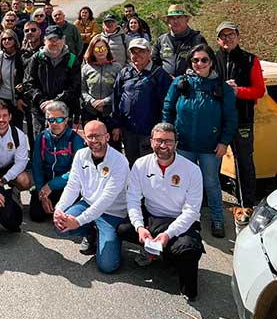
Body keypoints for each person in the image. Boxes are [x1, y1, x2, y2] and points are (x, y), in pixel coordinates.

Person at [118, 122, 204, 301]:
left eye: (168, 141)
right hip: (153, 217)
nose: (163, 146)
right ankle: (155, 250)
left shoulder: (192, 170)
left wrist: (168, 234)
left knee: (188, 249)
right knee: (123, 228)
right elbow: (133, 199)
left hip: (180, 221)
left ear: (176, 144)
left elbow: (191, 211)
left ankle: (171, 259)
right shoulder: (141, 164)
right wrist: (140, 227)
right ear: (151, 142)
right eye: (158, 141)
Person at [162, 43, 238, 238]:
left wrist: (224, 142)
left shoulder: (222, 88)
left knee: (211, 182)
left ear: (211, 62)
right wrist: (168, 137)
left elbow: (231, 118)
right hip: (183, 145)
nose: (199, 63)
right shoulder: (180, 83)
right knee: (180, 182)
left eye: (204, 59)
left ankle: (217, 218)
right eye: (195, 60)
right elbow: (168, 110)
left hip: (210, 147)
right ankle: (181, 217)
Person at [53, 120, 129, 273]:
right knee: (61, 225)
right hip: (87, 204)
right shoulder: (81, 155)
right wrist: (59, 209)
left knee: (107, 266)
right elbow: (73, 186)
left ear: (107, 137)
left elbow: (106, 199)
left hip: (111, 212)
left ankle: (109, 237)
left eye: (98, 136)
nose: (94, 141)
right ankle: (91, 232)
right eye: (90, 137)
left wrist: (78, 221)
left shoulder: (120, 161)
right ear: (85, 139)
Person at [214, 22, 266, 227]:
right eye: (223, 36)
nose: (227, 39)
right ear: (218, 39)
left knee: (244, 161)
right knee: (213, 161)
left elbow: (259, 90)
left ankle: (247, 204)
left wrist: (238, 92)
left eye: (231, 34)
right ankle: (211, 203)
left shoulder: (251, 60)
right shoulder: (211, 58)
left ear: (238, 36)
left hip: (242, 118)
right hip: (216, 119)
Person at [110, 38, 172, 164]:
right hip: (128, 130)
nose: (137, 55)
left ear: (149, 52)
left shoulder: (159, 74)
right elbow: (116, 99)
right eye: (134, 52)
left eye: (141, 52)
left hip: (150, 131)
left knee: (149, 165)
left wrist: (164, 129)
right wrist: (116, 124)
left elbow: (167, 105)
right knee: (131, 163)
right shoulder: (124, 73)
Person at [30, 101, 86, 222]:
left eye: (59, 120)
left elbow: (76, 172)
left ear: (66, 120)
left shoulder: (76, 140)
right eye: (51, 120)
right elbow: (37, 166)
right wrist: (42, 192)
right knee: (36, 215)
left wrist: (52, 185)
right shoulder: (42, 137)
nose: (55, 124)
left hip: (66, 187)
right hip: (45, 185)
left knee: (67, 218)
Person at [22, 25, 81, 137]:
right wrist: (42, 101)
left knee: (63, 148)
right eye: (51, 40)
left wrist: (55, 102)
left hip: (63, 113)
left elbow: (75, 87)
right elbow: (28, 83)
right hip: (40, 111)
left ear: (63, 40)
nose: (54, 43)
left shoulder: (72, 60)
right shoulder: (37, 58)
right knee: (40, 145)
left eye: (57, 40)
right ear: (44, 41)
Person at [152, 4, 207, 77]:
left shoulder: (197, 40)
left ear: (187, 19)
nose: (175, 21)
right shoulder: (161, 40)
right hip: (165, 85)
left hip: (191, 85)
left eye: (179, 17)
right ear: (168, 21)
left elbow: (206, 64)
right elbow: (154, 63)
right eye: (172, 18)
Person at [0, 100, 32, 191]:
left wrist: (6, 178)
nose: (1, 120)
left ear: (10, 117)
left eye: (5, 116)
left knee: (25, 181)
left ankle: (14, 192)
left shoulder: (18, 135)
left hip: (8, 166)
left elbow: (21, 162)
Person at [81, 35, 121, 126]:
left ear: (107, 49)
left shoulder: (117, 67)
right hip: (90, 110)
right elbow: (82, 90)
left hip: (110, 111)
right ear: (92, 51)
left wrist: (105, 101)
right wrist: (92, 101)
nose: (100, 51)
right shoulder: (86, 68)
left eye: (102, 48)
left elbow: (119, 90)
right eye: (97, 49)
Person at [0, 30, 26, 128]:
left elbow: (25, 75)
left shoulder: (21, 55)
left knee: (17, 128)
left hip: (17, 98)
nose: (7, 41)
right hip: (2, 97)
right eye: (4, 39)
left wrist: (22, 87)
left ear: (15, 40)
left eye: (10, 38)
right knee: (2, 127)